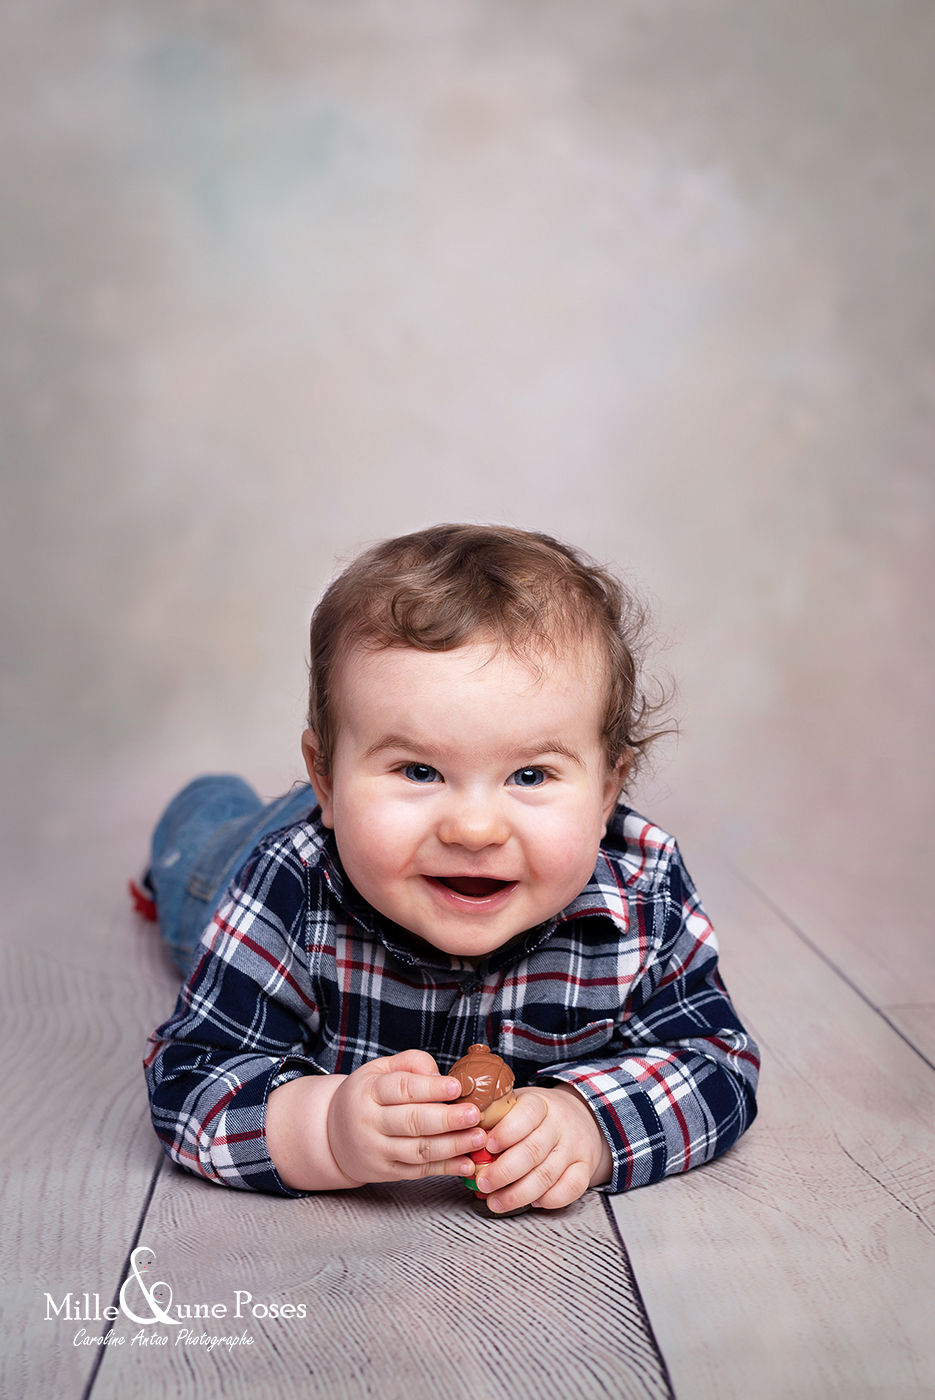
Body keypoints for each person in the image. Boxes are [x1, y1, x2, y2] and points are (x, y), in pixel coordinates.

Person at [143, 524, 759, 1213]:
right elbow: (191, 1080)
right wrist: (323, 1128)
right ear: (325, 777)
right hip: (262, 856)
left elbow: (716, 1061)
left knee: (377, 822)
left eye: (529, 774)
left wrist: (591, 1126)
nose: (473, 828)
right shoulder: (289, 883)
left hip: (380, 835)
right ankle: (208, 809)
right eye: (419, 769)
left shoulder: (640, 892)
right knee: (198, 860)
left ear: (609, 788)